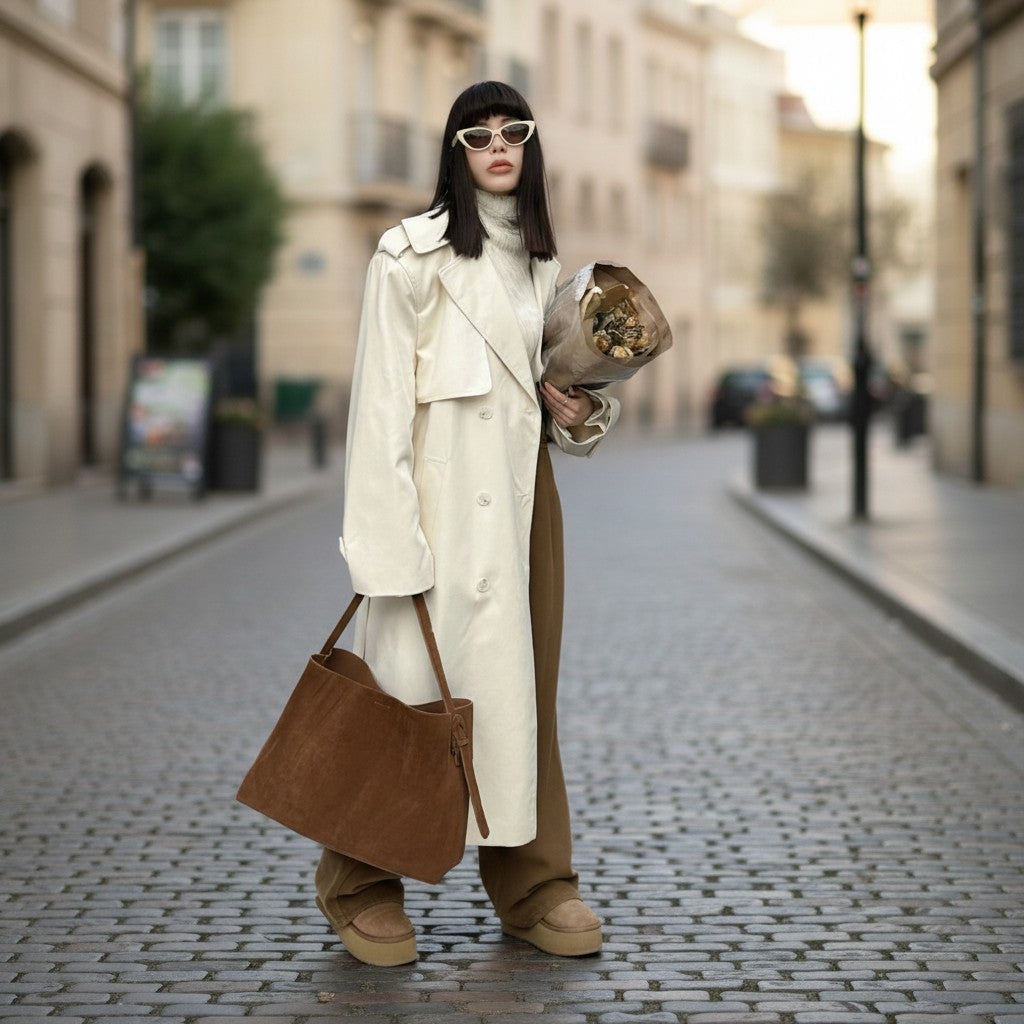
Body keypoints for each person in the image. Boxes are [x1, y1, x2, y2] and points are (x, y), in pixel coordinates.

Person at [316, 81, 620, 967]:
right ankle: (360, 883)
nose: (497, 145)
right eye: (477, 133)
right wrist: (385, 551)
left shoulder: (541, 270)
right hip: (432, 520)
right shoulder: (406, 258)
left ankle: (534, 884)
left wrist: (580, 411)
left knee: (522, 697)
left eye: (513, 131)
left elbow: (558, 404)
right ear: (454, 150)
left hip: (525, 513)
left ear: (530, 148)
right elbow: (377, 413)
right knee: (401, 697)